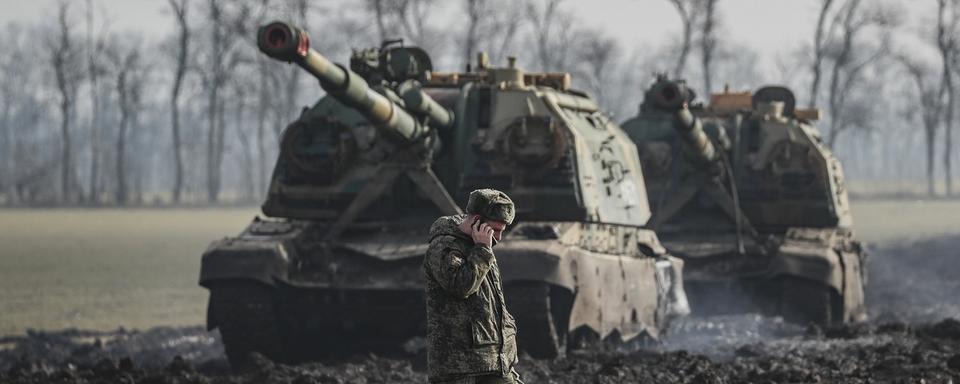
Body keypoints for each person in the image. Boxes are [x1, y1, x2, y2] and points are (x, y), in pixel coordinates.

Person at [422, 189, 523, 384]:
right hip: (462, 368)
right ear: (476, 220)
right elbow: (461, 287)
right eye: (495, 230)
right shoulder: (445, 247)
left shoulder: (479, 245)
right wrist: (483, 250)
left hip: (494, 362)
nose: (498, 238)